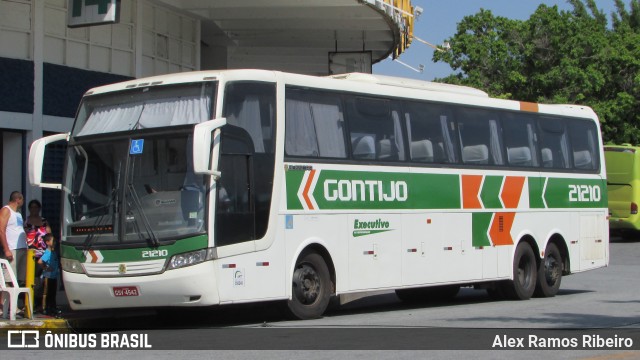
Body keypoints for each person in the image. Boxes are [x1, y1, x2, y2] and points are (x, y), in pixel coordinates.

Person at [0, 191, 28, 317]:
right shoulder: (6, 210)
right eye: (22, 200)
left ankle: (14, 306)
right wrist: (6, 249)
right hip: (11, 248)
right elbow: (1, 229)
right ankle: (3, 306)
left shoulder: (18, 213)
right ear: (18, 199)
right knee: (8, 279)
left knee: (18, 279)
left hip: (22, 248)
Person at [24, 199, 51, 311]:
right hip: (30, 254)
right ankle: (30, 303)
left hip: (42, 254)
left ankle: (40, 304)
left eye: (36, 207)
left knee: (41, 279)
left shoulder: (44, 221)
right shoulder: (26, 221)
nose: (34, 209)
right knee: (31, 278)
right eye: (32, 207)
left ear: (39, 209)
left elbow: (49, 236)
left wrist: (49, 251)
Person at [38, 234, 60, 316]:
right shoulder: (48, 252)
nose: (54, 242)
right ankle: (46, 308)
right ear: (47, 242)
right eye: (52, 241)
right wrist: (45, 268)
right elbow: (40, 261)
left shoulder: (53, 252)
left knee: (53, 293)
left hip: (54, 276)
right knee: (47, 293)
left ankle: (53, 307)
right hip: (48, 276)